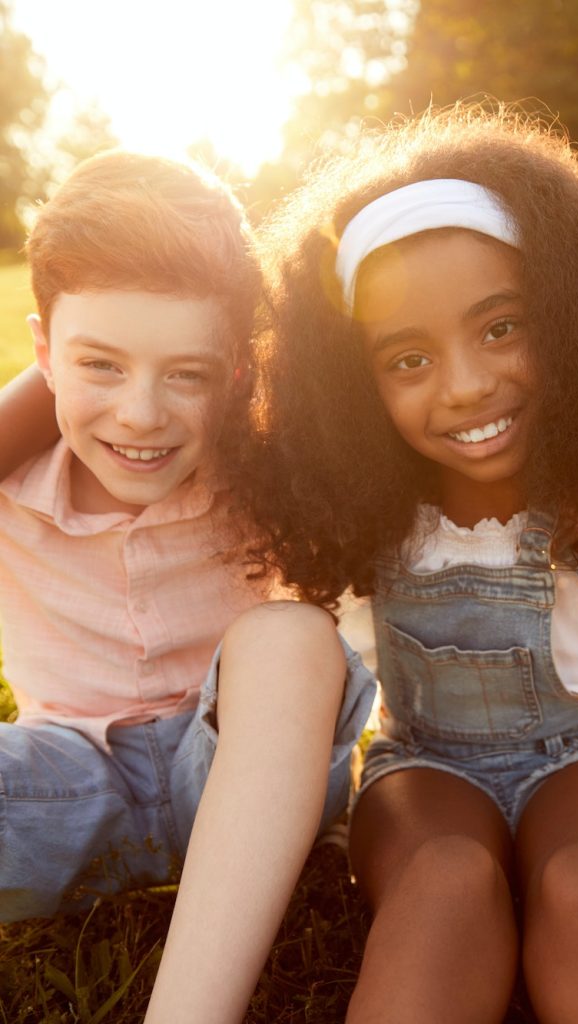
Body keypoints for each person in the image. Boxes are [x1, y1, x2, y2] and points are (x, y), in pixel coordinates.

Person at [235, 105, 578, 1023]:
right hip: (424, 769)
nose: (466, 386)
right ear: (351, 384)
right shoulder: (357, 511)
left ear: (568, 321)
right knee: (445, 880)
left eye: (500, 328)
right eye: (408, 359)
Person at [0, 150, 376, 1024]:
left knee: (287, 638)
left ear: (239, 372)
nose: (141, 414)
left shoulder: (276, 468)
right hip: (72, 783)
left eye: (187, 374)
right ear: (44, 351)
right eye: (101, 366)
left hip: (245, 765)